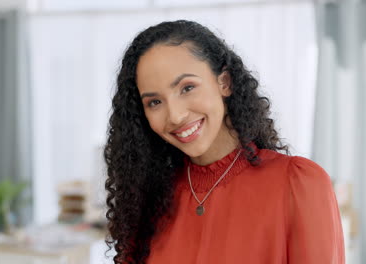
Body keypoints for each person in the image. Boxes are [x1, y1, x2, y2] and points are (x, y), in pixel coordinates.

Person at [103, 20, 344, 264]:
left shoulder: (297, 184)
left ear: (224, 83)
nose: (175, 116)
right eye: (154, 102)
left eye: (187, 88)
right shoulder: (148, 200)